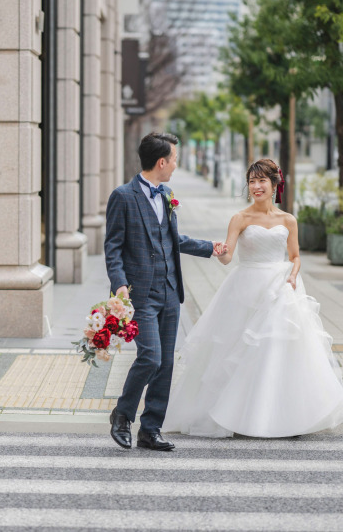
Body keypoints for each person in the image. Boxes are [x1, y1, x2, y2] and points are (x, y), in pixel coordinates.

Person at [162, 159, 343, 438]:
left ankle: (283, 416)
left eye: (262, 181)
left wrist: (293, 275)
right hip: (245, 288)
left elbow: (295, 256)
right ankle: (237, 414)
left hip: (279, 288)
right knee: (238, 352)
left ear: (274, 185)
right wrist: (218, 251)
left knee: (278, 351)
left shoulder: (288, 220)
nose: (256, 186)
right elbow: (228, 257)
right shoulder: (240, 218)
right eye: (252, 181)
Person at [105, 132, 227, 451]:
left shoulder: (168, 194)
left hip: (170, 292)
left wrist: (209, 247)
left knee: (166, 363)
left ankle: (150, 429)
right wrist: (119, 284)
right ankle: (122, 415)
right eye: (174, 159)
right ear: (161, 162)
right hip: (140, 294)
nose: (176, 165)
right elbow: (113, 247)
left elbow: (172, 239)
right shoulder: (123, 196)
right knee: (150, 357)